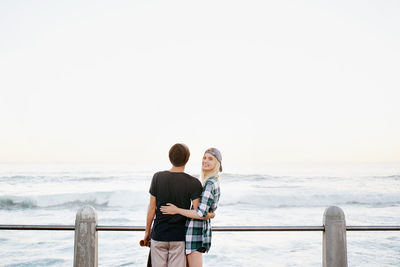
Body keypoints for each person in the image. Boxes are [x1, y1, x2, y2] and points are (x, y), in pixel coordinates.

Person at [143, 143, 213, 267]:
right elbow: (197, 212)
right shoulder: (193, 182)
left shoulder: (157, 177)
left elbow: (151, 208)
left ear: (170, 157)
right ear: (187, 159)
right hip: (179, 237)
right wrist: (210, 215)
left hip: (158, 235)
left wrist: (147, 232)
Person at [160, 147, 222, 267]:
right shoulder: (211, 181)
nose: (205, 161)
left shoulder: (210, 183)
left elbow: (200, 213)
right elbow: (207, 212)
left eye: (210, 159)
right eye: (204, 158)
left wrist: (176, 210)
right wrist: (210, 215)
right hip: (197, 233)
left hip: (195, 235)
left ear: (217, 164)